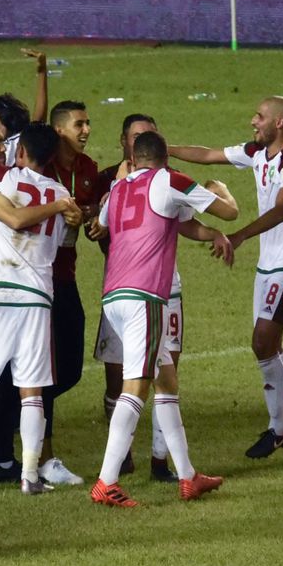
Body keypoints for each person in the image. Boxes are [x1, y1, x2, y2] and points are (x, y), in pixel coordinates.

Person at [168, 96, 283, 464]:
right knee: (269, 346)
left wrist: (238, 236)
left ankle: (279, 429)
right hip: (271, 263)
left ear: (280, 123)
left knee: (262, 342)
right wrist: (164, 150)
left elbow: (282, 210)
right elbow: (208, 155)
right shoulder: (257, 152)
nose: (253, 121)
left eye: (261, 116)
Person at [90, 130, 238, 507]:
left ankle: (188, 476)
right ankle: (106, 482)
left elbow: (169, 223)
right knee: (136, 386)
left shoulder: (117, 188)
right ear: (163, 158)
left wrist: (211, 234)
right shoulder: (170, 180)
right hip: (145, 296)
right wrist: (219, 188)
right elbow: (228, 211)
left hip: (113, 294)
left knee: (166, 379)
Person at [0, 123, 83, 493]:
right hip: (38, 298)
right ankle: (29, 475)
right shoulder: (62, 195)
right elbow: (65, 242)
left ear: (21, 152)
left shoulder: (5, 178)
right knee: (32, 392)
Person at [93, 113, 183, 482]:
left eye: (149, 134)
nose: (143, 140)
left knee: (167, 379)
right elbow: (96, 229)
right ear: (124, 142)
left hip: (157, 290)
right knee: (129, 383)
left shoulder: (162, 178)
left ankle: (174, 467)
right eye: (136, 136)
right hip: (135, 293)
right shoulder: (113, 182)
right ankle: (111, 474)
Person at [28, 99, 101, 486]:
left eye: (87, 123)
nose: (86, 130)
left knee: (69, 369)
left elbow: (87, 209)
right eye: (78, 124)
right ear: (58, 131)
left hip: (66, 278)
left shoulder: (86, 169)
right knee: (45, 369)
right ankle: (43, 455)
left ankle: (8, 419)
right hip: (38, 279)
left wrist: (88, 219)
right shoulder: (43, 166)